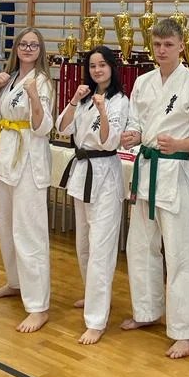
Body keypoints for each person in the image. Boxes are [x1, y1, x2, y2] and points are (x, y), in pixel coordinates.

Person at [120, 17, 189, 358]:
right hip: (146, 170)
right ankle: (146, 311)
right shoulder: (142, 82)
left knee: (180, 254)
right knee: (140, 246)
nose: (161, 50)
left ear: (181, 47)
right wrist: (132, 134)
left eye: (168, 45)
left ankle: (187, 331)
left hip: (175, 173)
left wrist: (180, 144)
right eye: (157, 44)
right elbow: (135, 121)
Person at [56, 45, 129, 344]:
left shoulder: (120, 101)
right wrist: (75, 100)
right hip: (82, 171)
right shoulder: (84, 98)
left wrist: (102, 110)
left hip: (105, 175)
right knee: (84, 244)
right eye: (93, 65)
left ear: (112, 67)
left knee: (101, 249)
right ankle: (93, 295)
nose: (97, 70)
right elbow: (62, 128)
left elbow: (110, 141)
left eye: (102, 65)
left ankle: (97, 320)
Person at [0, 26, 54, 332]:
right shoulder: (10, 78)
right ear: (16, 48)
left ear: (40, 51)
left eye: (33, 45)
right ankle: (15, 282)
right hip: (9, 157)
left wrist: (35, 97)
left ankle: (38, 306)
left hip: (29, 161)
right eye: (23, 44)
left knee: (29, 233)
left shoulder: (43, 81)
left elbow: (43, 127)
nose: (27, 49)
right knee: (6, 228)